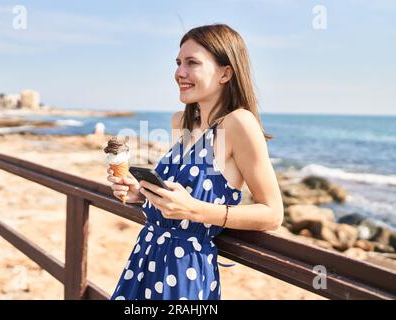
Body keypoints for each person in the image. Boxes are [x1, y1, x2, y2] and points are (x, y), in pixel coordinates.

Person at [107, 24, 283, 300]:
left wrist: (196, 210)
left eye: (192, 63)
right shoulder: (181, 122)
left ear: (226, 73)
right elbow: (178, 201)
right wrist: (143, 196)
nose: (179, 72)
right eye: (178, 63)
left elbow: (273, 215)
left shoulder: (238, 123)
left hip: (184, 271)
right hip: (145, 259)